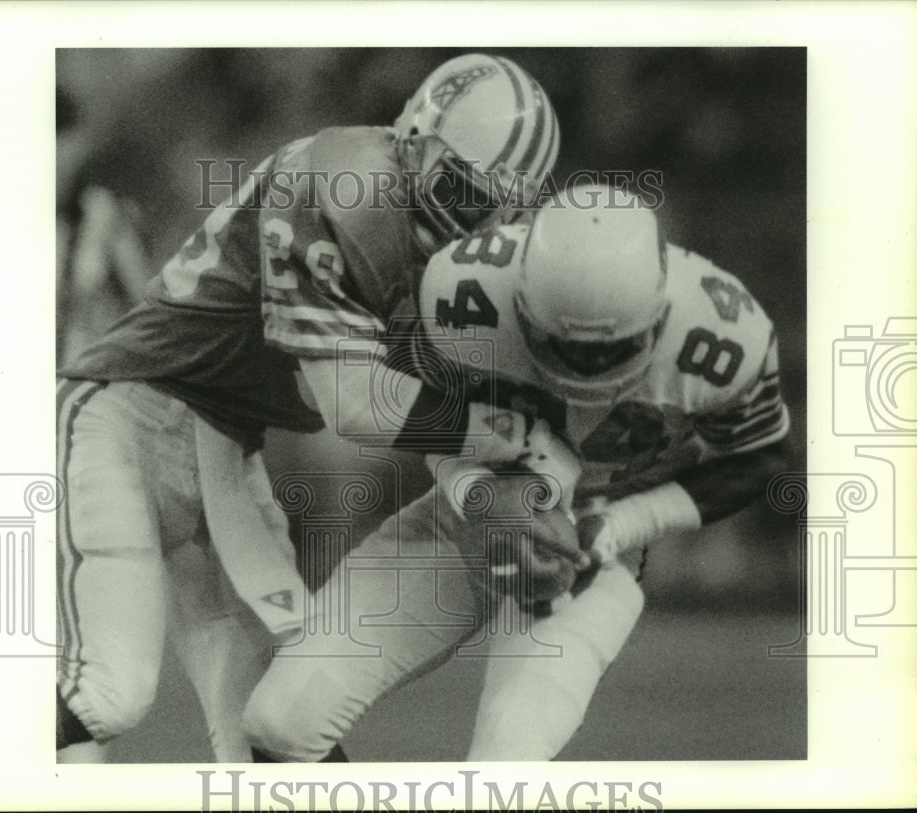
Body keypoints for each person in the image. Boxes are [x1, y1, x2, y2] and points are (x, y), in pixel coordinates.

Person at [55, 53, 562, 762]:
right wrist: (502, 433)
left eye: (489, 205)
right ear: (413, 136)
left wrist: (485, 489)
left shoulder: (447, 259)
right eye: (456, 187)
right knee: (110, 689)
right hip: (126, 412)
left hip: (221, 444)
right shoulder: (342, 182)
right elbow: (356, 404)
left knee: (279, 726)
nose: (464, 217)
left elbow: (434, 402)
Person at [242, 184, 792, 761]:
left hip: (583, 559)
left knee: (503, 773)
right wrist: (478, 491)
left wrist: (617, 526)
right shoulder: (460, 292)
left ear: (660, 315)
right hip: (457, 523)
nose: (585, 366)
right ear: (521, 298)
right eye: (563, 344)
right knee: (281, 722)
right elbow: (410, 414)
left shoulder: (721, 334)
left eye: (610, 350)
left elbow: (764, 457)